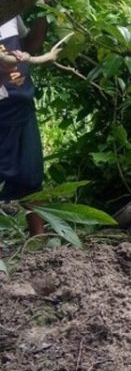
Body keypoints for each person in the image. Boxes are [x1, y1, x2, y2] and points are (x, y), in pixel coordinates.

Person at [0, 13, 48, 237]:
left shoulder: (10, 8)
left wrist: (43, 12)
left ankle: (39, 239)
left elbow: (30, 44)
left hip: (21, 105)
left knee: (31, 175)